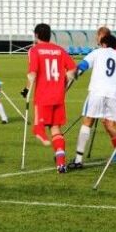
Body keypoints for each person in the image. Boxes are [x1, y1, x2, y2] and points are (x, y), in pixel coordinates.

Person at [72, 34, 116, 169]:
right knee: (110, 125)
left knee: (87, 122)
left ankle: (78, 160)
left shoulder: (97, 52)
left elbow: (83, 65)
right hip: (114, 95)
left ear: (103, 44)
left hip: (97, 92)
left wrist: (75, 74)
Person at [21, 23, 76, 173]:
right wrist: (64, 85)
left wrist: (26, 90)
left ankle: (41, 134)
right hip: (58, 96)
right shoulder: (59, 50)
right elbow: (72, 70)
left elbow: (32, 73)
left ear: (36, 35)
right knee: (56, 128)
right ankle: (61, 164)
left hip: (43, 95)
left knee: (39, 126)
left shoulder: (34, 50)